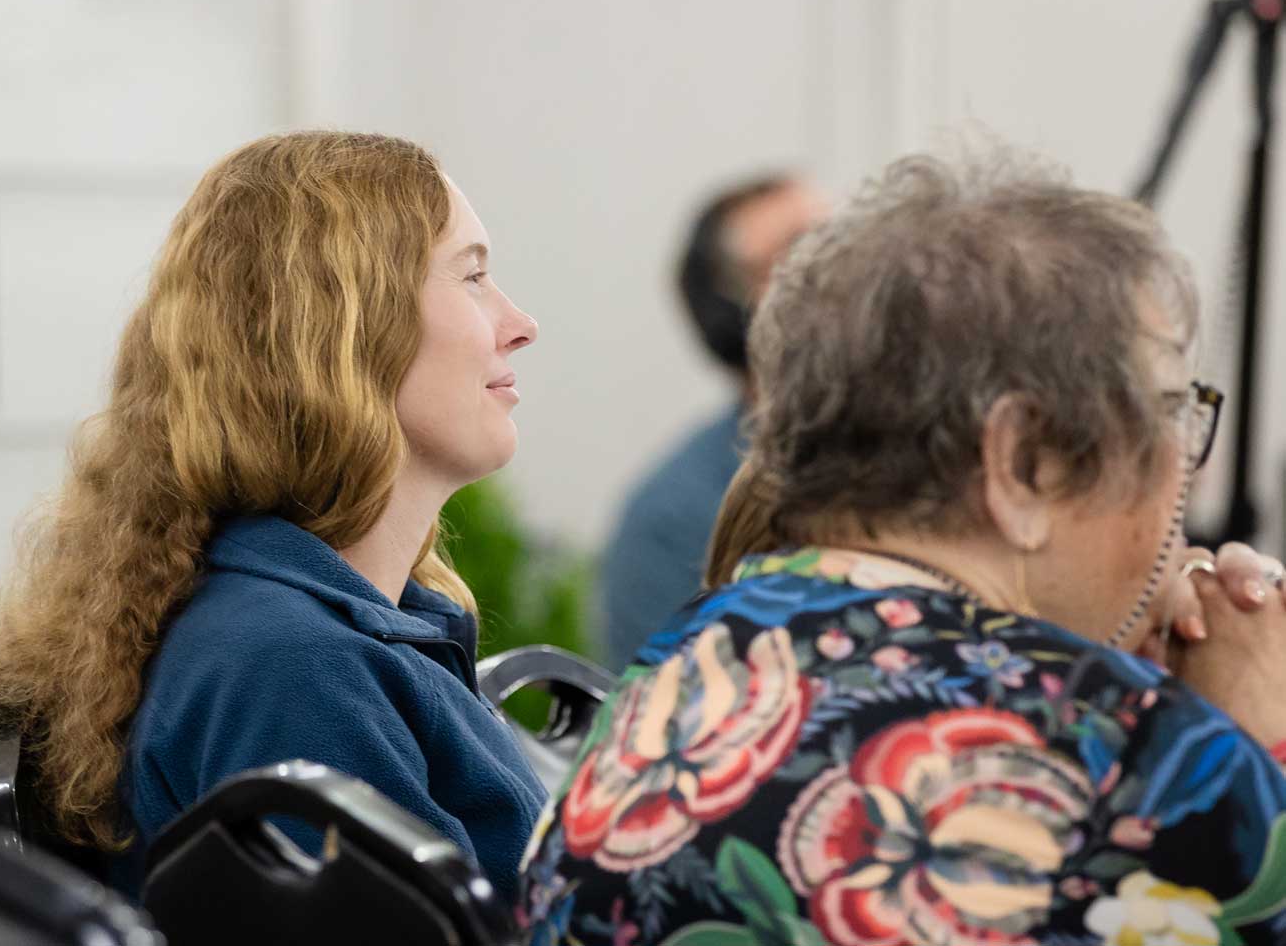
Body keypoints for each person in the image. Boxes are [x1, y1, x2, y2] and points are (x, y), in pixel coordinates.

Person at [520, 151, 1286, 946]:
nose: (1182, 467)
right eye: (1167, 409)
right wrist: (1259, 747)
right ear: (1023, 462)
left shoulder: (669, 676)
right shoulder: (1144, 758)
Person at [0, 131, 547, 899]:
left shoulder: (290, 633)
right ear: (342, 332)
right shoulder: (292, 670)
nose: (519, 323)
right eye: (472, 277)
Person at [598, 174, 827, 667]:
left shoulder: (946, 455)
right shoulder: (671, 519)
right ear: (730, 310)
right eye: (801, 248)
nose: (847, 263)